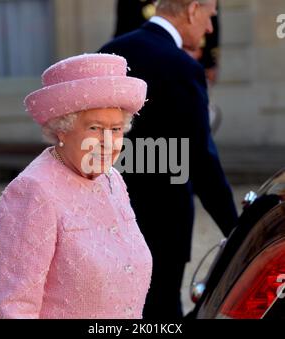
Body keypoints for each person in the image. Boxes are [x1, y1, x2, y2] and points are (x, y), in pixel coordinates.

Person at [99, 0, 238, 318]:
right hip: (165, 222)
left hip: (112, 216)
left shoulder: (110, 52)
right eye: (208, 17)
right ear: (192, 10)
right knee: (163, 310)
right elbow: (201, 159)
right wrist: (236, 228)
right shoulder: (183, 66)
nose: (209, 29)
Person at [0, 53, 152, 319]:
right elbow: (12, 309)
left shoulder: (113, 180)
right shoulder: (33, 192)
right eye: (95, 128)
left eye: (116, 130)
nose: (107, 142)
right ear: (62, 128)